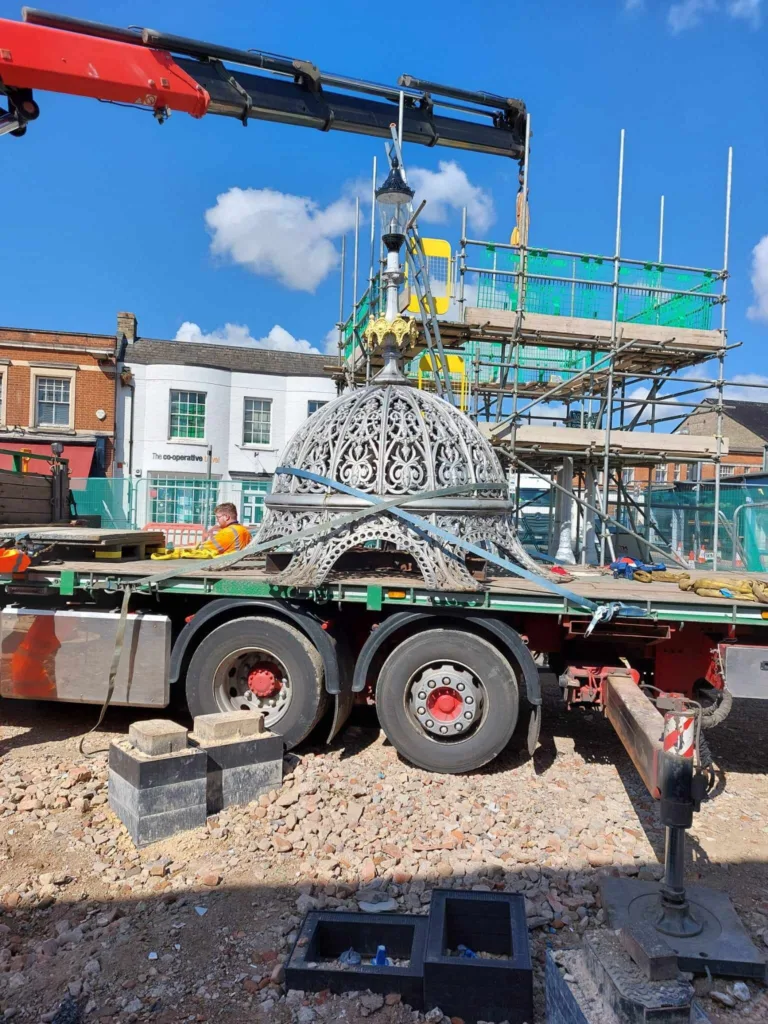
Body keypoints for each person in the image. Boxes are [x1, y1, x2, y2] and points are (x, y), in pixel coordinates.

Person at [151, 502, 252, 560]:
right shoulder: (244, 530)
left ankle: (154, 550)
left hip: (227, 563)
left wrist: (181, 548)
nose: (217, 520)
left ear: (226, 517)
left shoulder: (227, 532)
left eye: (218, 517)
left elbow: (205, 548)